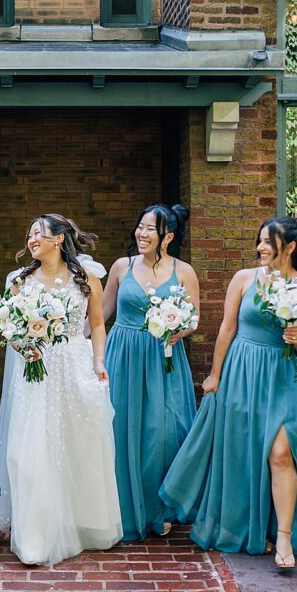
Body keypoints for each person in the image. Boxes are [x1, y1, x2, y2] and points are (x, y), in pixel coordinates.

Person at [160, 216, 297, 568]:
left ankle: (285, 538)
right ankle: (249, 528)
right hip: (243, 372)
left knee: (281, 453)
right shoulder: (244, 279)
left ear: (290, 247)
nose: (260, 247)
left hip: (284, 376)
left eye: (268, 241)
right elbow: (227, 329)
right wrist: (215, 375)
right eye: (259, 240)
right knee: (243, 454)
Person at [0, 214, 122, 565]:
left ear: (58, 240)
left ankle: (84, 526)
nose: (31, 239)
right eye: (29, 233)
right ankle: (36, 535)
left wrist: (99, 362)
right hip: (35, 371)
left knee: (78, 445)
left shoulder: (87, 279)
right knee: (28, 450)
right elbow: (9, 331)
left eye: (38, 233)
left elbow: (97, 324)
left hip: (74, 365)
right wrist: (25, 347)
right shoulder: (18, 281)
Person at [102, 204, 200, 541]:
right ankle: (122, 509)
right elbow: (101, 315)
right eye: (140, 227)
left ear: (168, 236)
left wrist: (179, 328)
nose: (141, 234)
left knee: (161, 433)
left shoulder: (184, 271)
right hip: (123, 354)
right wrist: (71, 343)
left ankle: (158, 507)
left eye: (150, 229)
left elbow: (194, 319)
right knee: (121, 429)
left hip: (163, 358)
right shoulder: (120, 267)